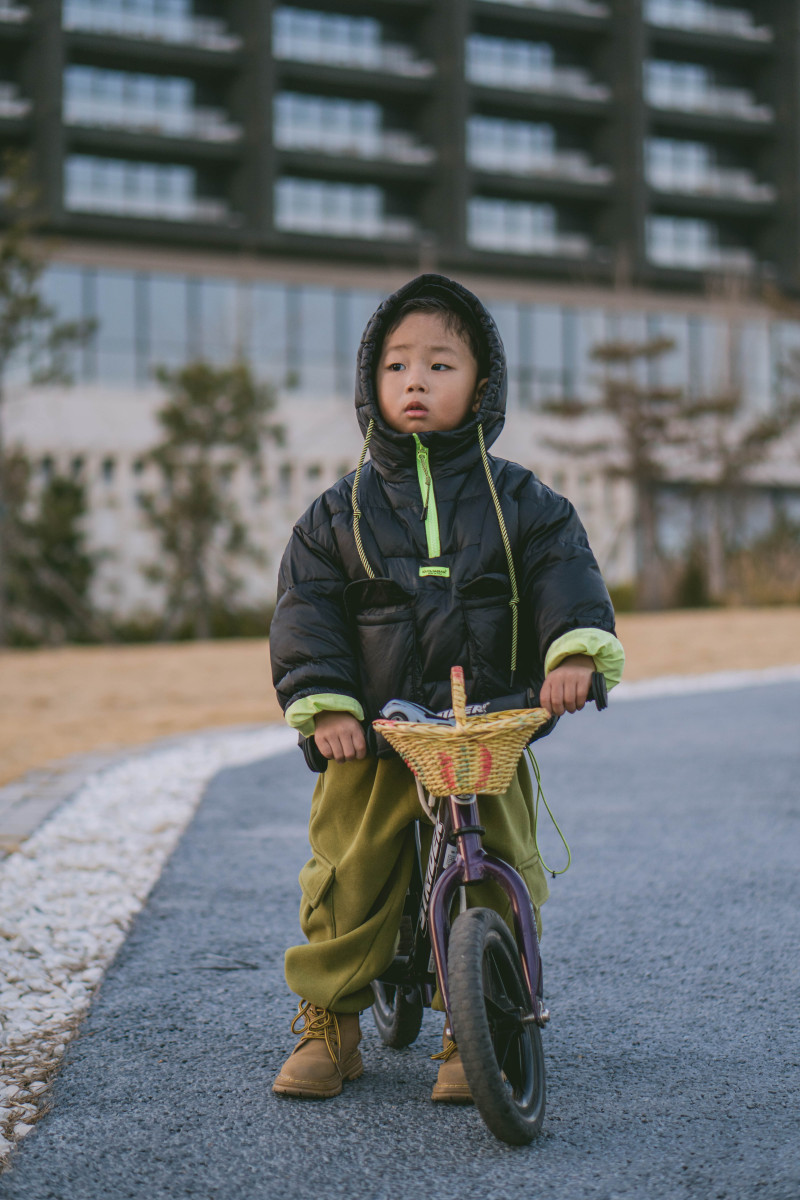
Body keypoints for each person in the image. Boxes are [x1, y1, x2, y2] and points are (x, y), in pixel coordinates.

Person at [269, 274, 624, 1102]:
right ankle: (332, 1018)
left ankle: (480, 1019)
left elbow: (564, 576)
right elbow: (306, 612)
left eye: (440, 365)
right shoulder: (338, 515)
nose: (416, 382)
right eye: (396, 366)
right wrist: (327, 704)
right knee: (348, 865)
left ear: (482, 384)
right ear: (371, 384)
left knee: (499, 857)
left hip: (485, 728)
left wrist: (572, 656)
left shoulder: (523, 502)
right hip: (374, 735)